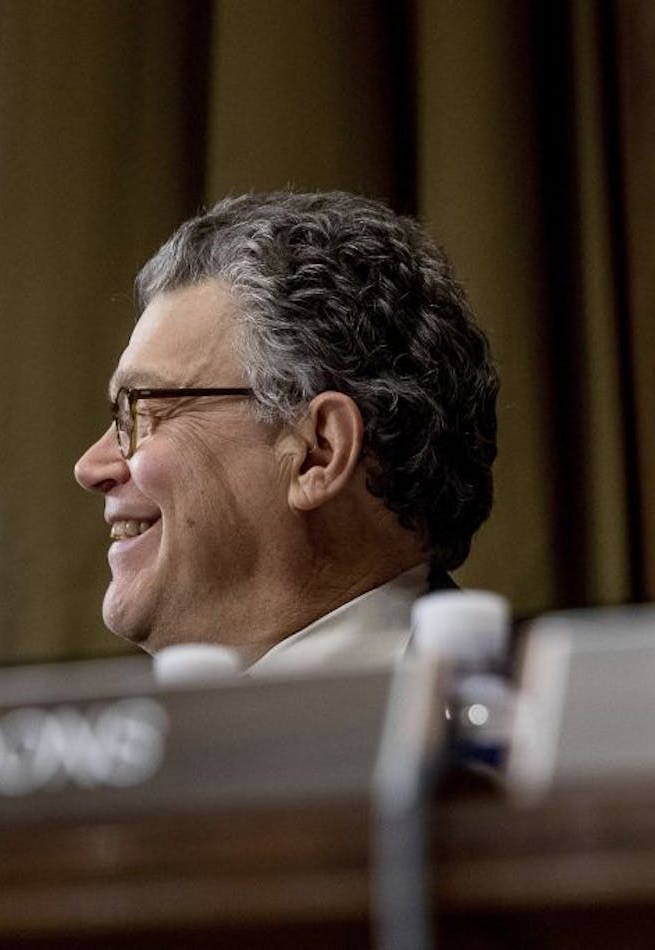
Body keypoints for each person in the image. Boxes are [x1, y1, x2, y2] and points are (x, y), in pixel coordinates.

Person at [74, 191, 498, 673]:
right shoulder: (175, 741)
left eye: (143, 410)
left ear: (318, 451)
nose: (91, 467)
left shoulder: (517, 736)